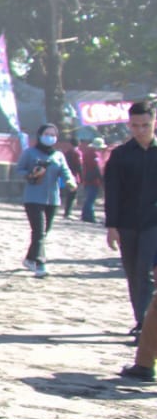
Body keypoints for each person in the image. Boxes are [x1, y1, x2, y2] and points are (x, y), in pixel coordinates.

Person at [105, 102, 157, 334]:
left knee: (145, 270)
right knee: (133, 272)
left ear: (153, 122)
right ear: (129, 125)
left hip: (154, 223)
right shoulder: (120, 155)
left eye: (145, 125)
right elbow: (112, 192)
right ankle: (141, 321)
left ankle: (147, 326)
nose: (140, 130)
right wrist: (111, 226)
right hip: (127, 223)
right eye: (135, 126)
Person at [15, 123, 73, 278]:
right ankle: (40, 263)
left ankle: (29, 258)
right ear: (40, 135)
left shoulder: (58, 155)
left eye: (53, 134)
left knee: (43, 232)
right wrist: (31, 174)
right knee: (39, 231)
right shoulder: (30, 153)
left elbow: (65, 171)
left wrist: (70, 181)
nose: (50, 137)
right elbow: (19, 170)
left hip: (52, 199)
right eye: (47, 134)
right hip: (33, 198)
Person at [80, 137, 106, 223]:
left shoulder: (87, 153)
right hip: (93, 180)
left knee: (88, 198)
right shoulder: (95, 155)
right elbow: (97, 168)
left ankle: (85, 215)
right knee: (91, 199)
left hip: (88, 179)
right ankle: (89, 216)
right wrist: (102, 180)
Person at [59, 134, 84, 218]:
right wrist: (82, 177)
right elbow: (79, 166)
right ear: (79, 143)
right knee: (72, 195)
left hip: (66, 176)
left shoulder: (67, 153)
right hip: (74, 176)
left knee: (68, 194)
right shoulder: (78, 153)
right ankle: (68, 213)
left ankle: (67, 212)